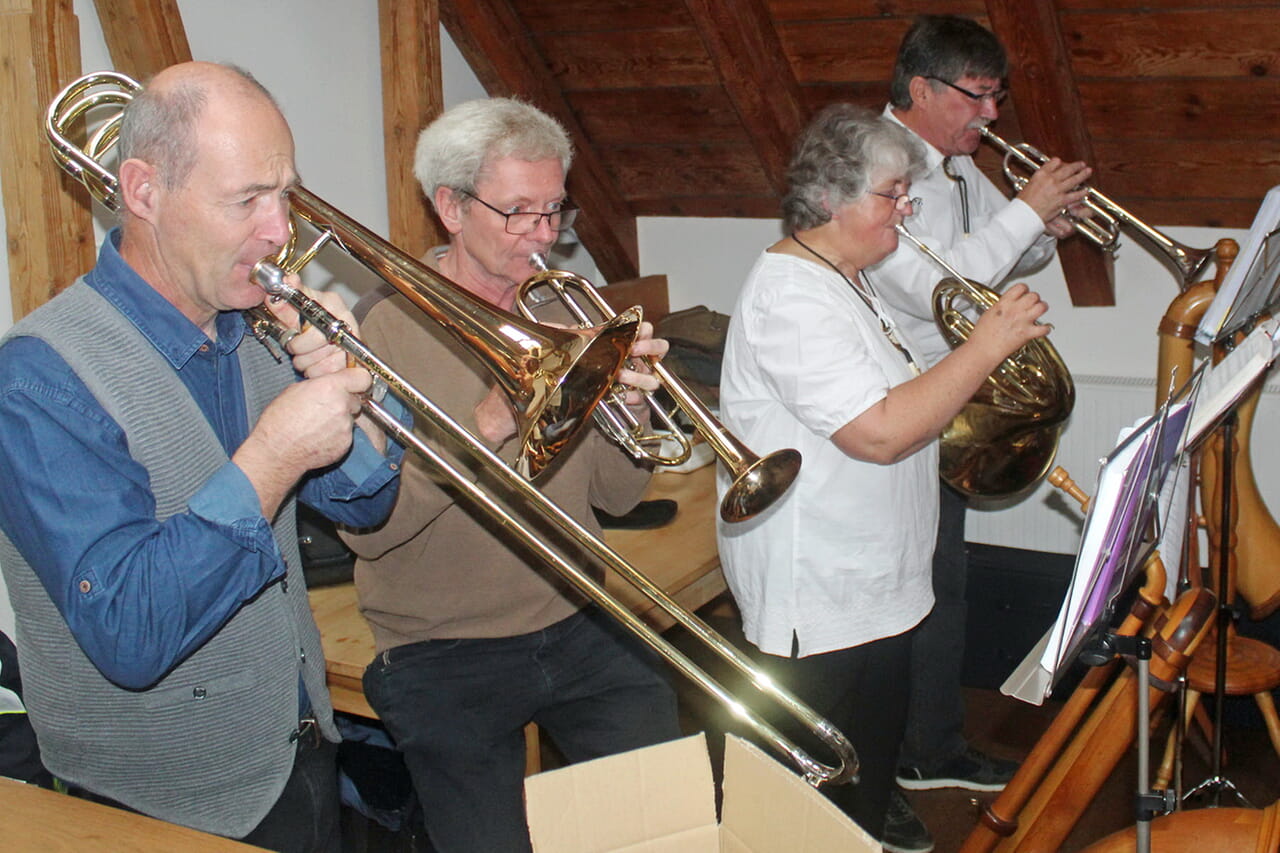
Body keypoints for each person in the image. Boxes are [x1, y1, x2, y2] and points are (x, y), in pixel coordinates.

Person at [0, 62, 403, 852]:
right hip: (154, 808)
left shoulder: (252, 322)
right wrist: (274, 454)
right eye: (247, 199)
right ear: (144, 191)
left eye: (285, 192)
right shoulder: (39, 377)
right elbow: (128, 629)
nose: (281, 230)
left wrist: (348, 382)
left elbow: (366, 503)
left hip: (300, 751)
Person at [340, 97, 681, 853]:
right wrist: (484, 426)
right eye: (519, 211)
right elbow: (368, 529)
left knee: (666, 820)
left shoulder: (561, 304)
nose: (545, 236)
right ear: (451, 207)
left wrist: (631, 405)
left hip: (577, 609)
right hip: (443, 647)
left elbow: (616, 496)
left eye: (555, 210)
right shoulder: (375, 330)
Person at [715, 103, 1051, 853]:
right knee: (799, 815)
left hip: (874, 585)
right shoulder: (792, 297)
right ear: (831, 199)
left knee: (858, 800)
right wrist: (986, 347)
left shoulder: (845, 276)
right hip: (821, 594)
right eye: (892, 194)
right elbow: (880, 432)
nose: (907, 208)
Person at [860, 14, 1092, 840]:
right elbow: (934, 285)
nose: (991, 114)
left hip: (950, 395)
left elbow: (994, 252)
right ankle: (872, 771)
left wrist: (1042, 232)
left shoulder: (957, 166)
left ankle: (932, 746)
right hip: (887, 402)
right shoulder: (874, 166)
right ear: (922, 90)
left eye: (997, 95)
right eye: (978, 96)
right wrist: (1025, 215)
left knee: (941, 582)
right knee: (887, 599)